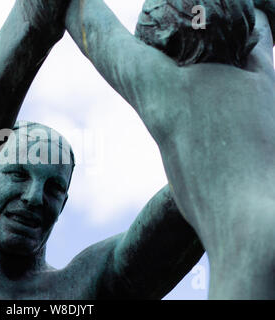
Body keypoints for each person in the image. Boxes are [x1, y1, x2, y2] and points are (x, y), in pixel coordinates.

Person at [0, 0, 203, 299]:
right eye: (17, 173)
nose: (34, 197)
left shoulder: (87, 289)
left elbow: (204, 192)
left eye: (54, 187)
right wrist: (33, 22)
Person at [65, 0, 275, 299]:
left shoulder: (165, 84)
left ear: (163, 39)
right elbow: (261, 18)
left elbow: (94, 25)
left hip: (252, 249)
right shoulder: (264, 74)